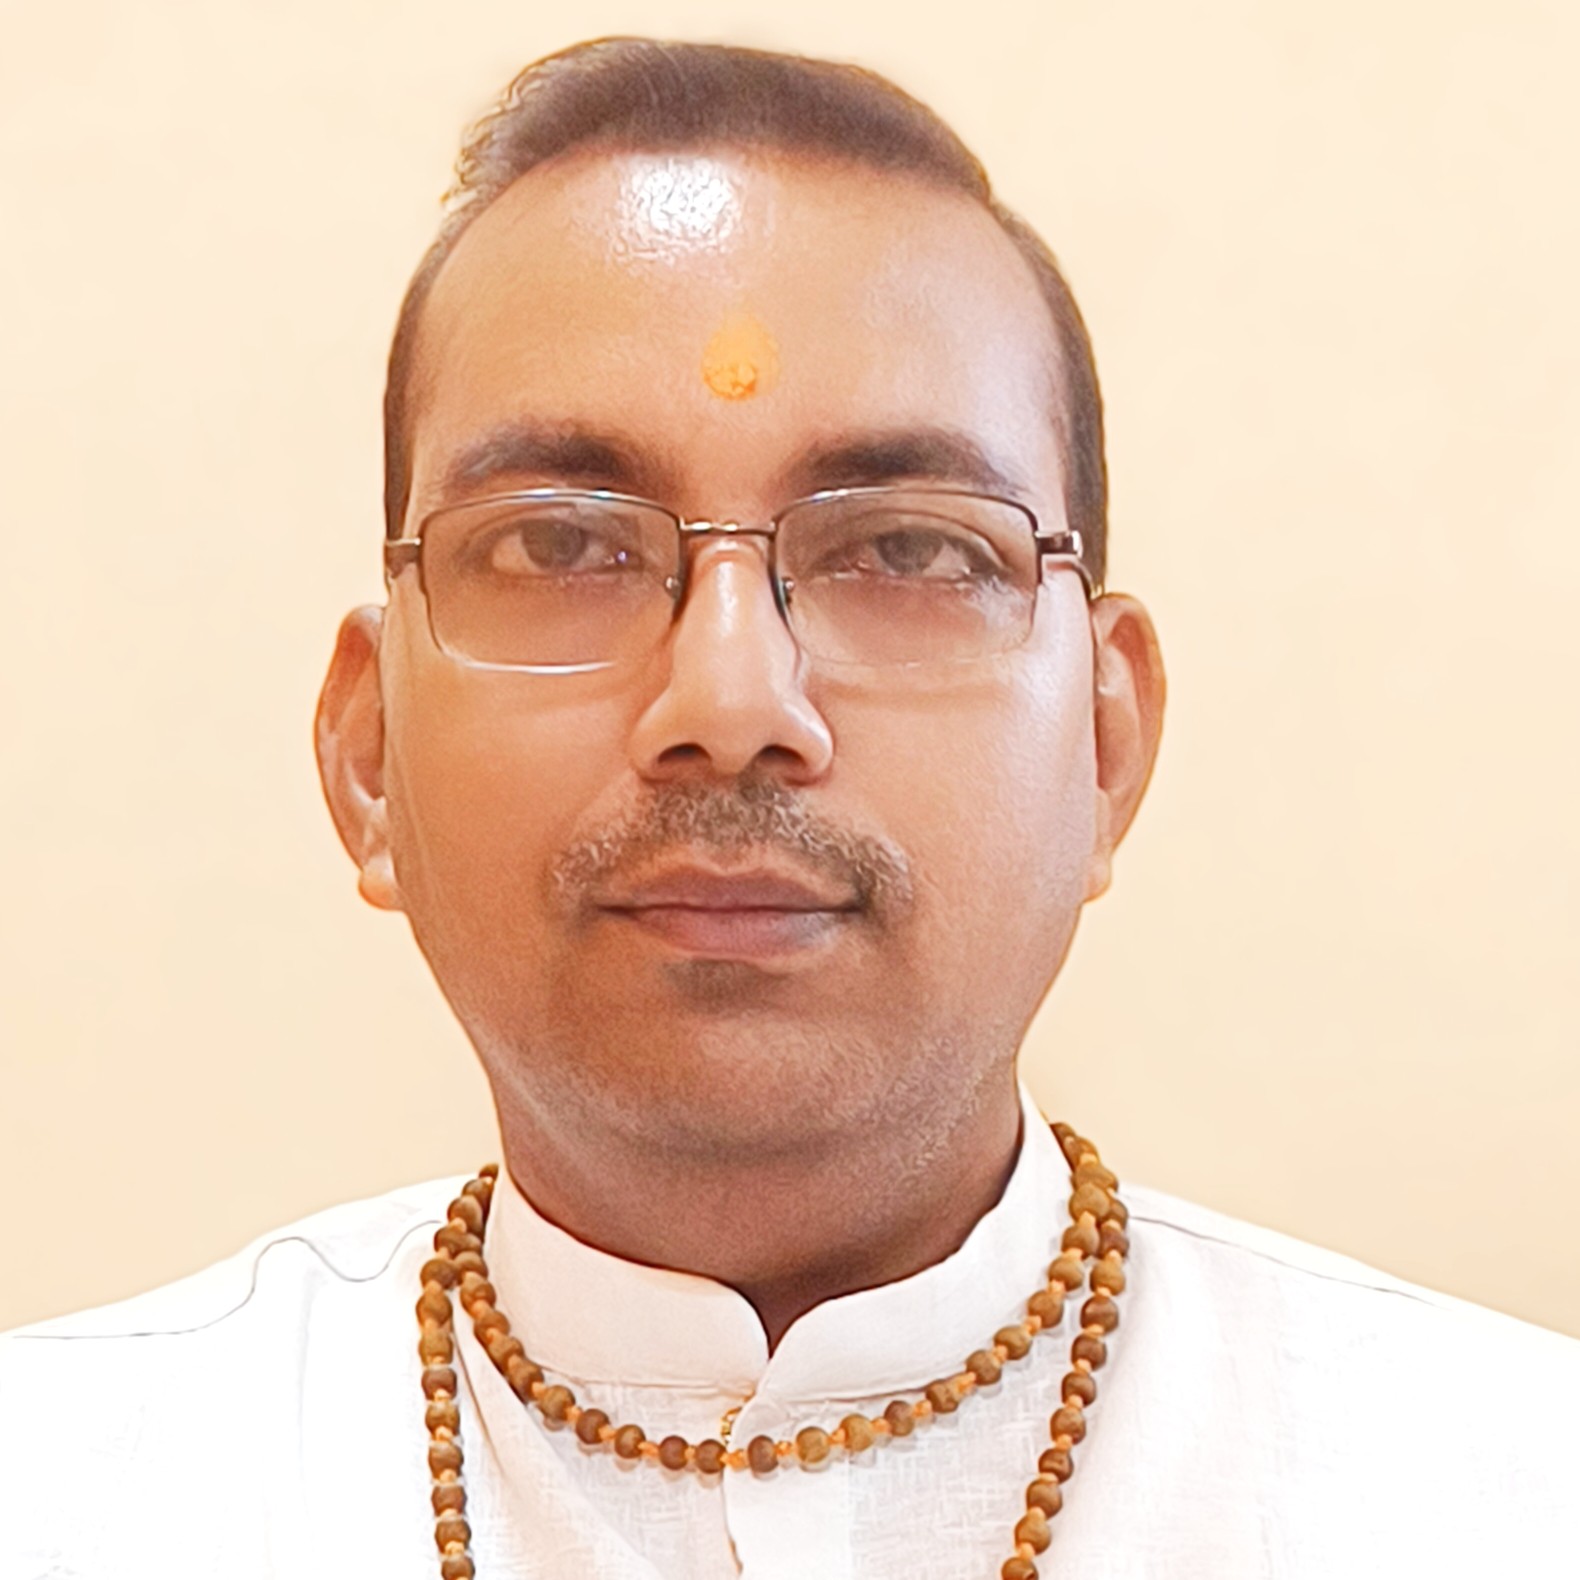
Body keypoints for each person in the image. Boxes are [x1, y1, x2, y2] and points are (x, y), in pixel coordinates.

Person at [2, 36, 1575, 1580]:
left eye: (908, 549)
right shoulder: (64, 1494)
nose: (731, 701)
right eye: (561, 545)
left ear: (1106, 743)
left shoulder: (1507, 1497)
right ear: (368, 755)